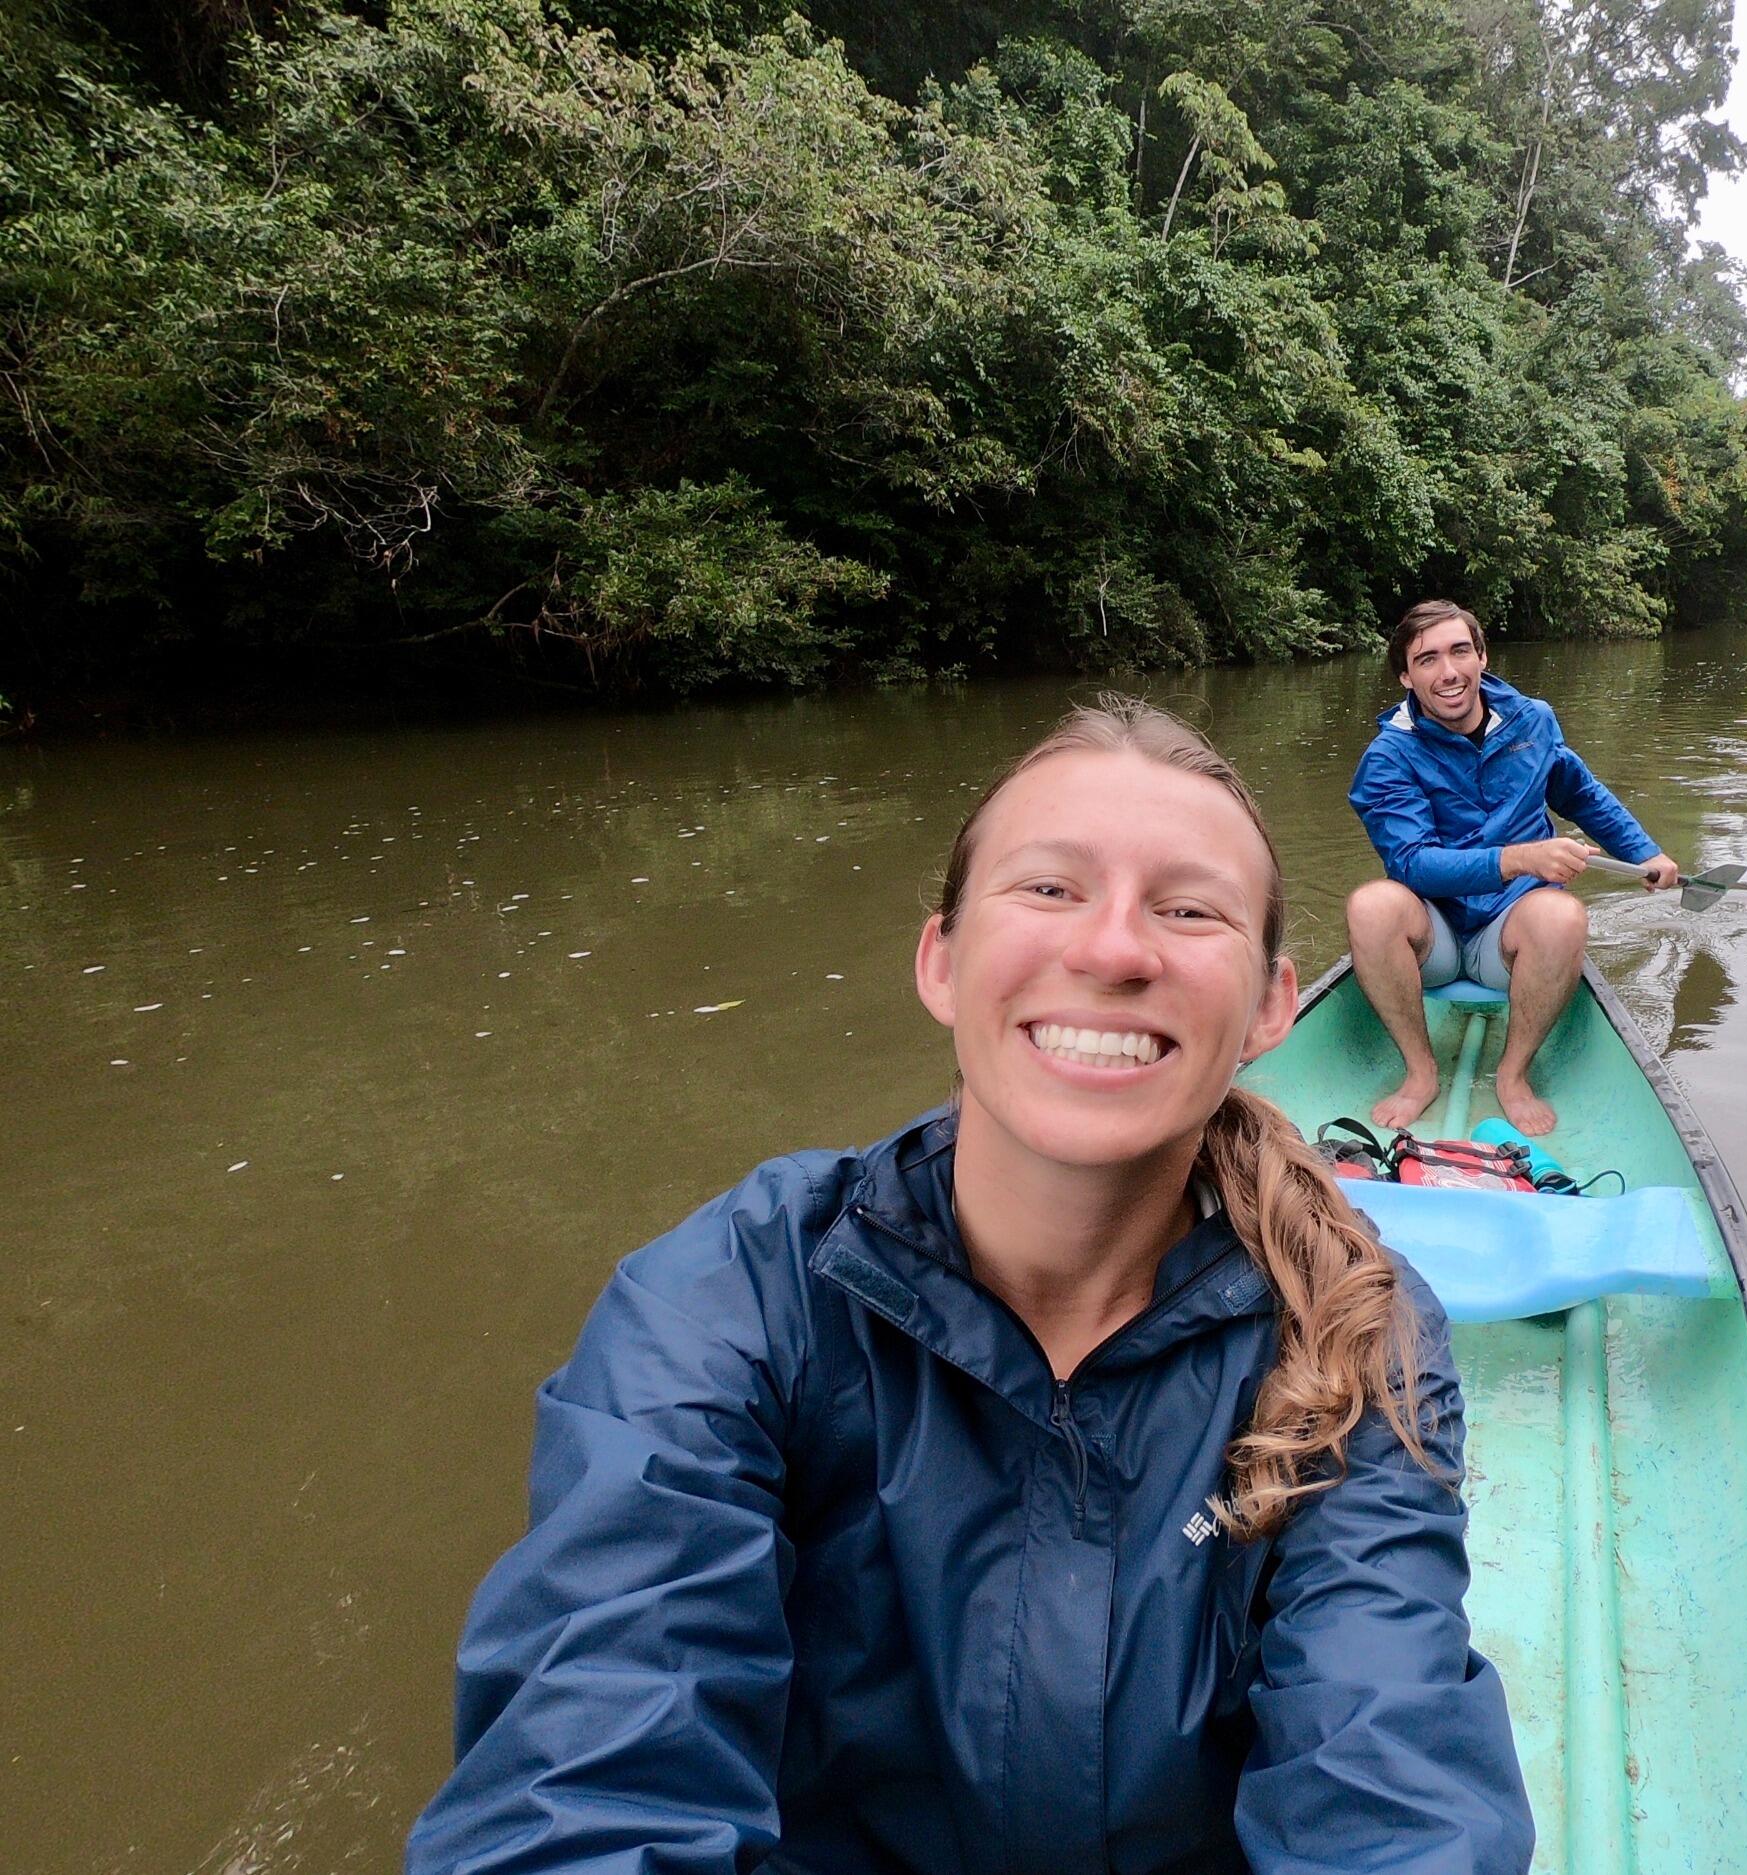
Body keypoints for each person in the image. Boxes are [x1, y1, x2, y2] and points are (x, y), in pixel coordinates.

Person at [405, 699, 1534, 1875]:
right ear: (941, 961)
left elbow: (1386, 1778)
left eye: (1188, 910)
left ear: (1268, 1005)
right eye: (1048, 890)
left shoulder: (1354, 1325)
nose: (1111, 950)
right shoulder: (730, 1303)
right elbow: (591, 1771)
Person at [1347, 600, 1678, 1136]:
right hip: (1434, 935)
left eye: (1460, 651)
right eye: (1427, 659)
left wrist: (1647, 854)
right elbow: (1411, 864)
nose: (1448, 671)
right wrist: (1520, 858)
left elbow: (1581, 794)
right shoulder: (1389, 756)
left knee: (1563, 916)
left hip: (1511, 931)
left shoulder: (1533, 721)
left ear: (1482, 656)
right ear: (1407, 676)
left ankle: (1514, 1075)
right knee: (1371, 905)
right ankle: (1420, 1072)